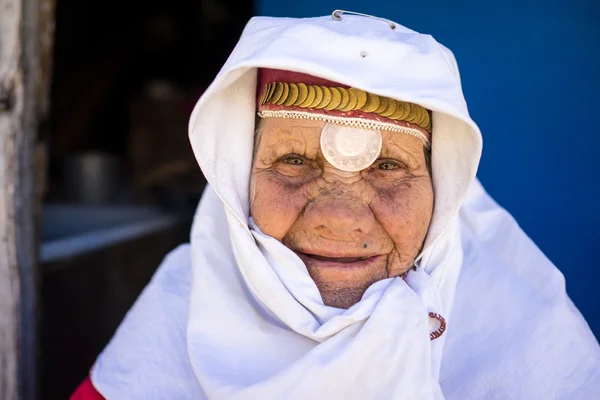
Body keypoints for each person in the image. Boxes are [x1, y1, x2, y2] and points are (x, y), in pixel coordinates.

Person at [71, 11, 600, 399]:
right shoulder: (180, 311)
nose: (341, 220)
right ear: (238, 175)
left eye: (388, 167)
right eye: (294, 162)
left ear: (444, 185)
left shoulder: (527, 339)